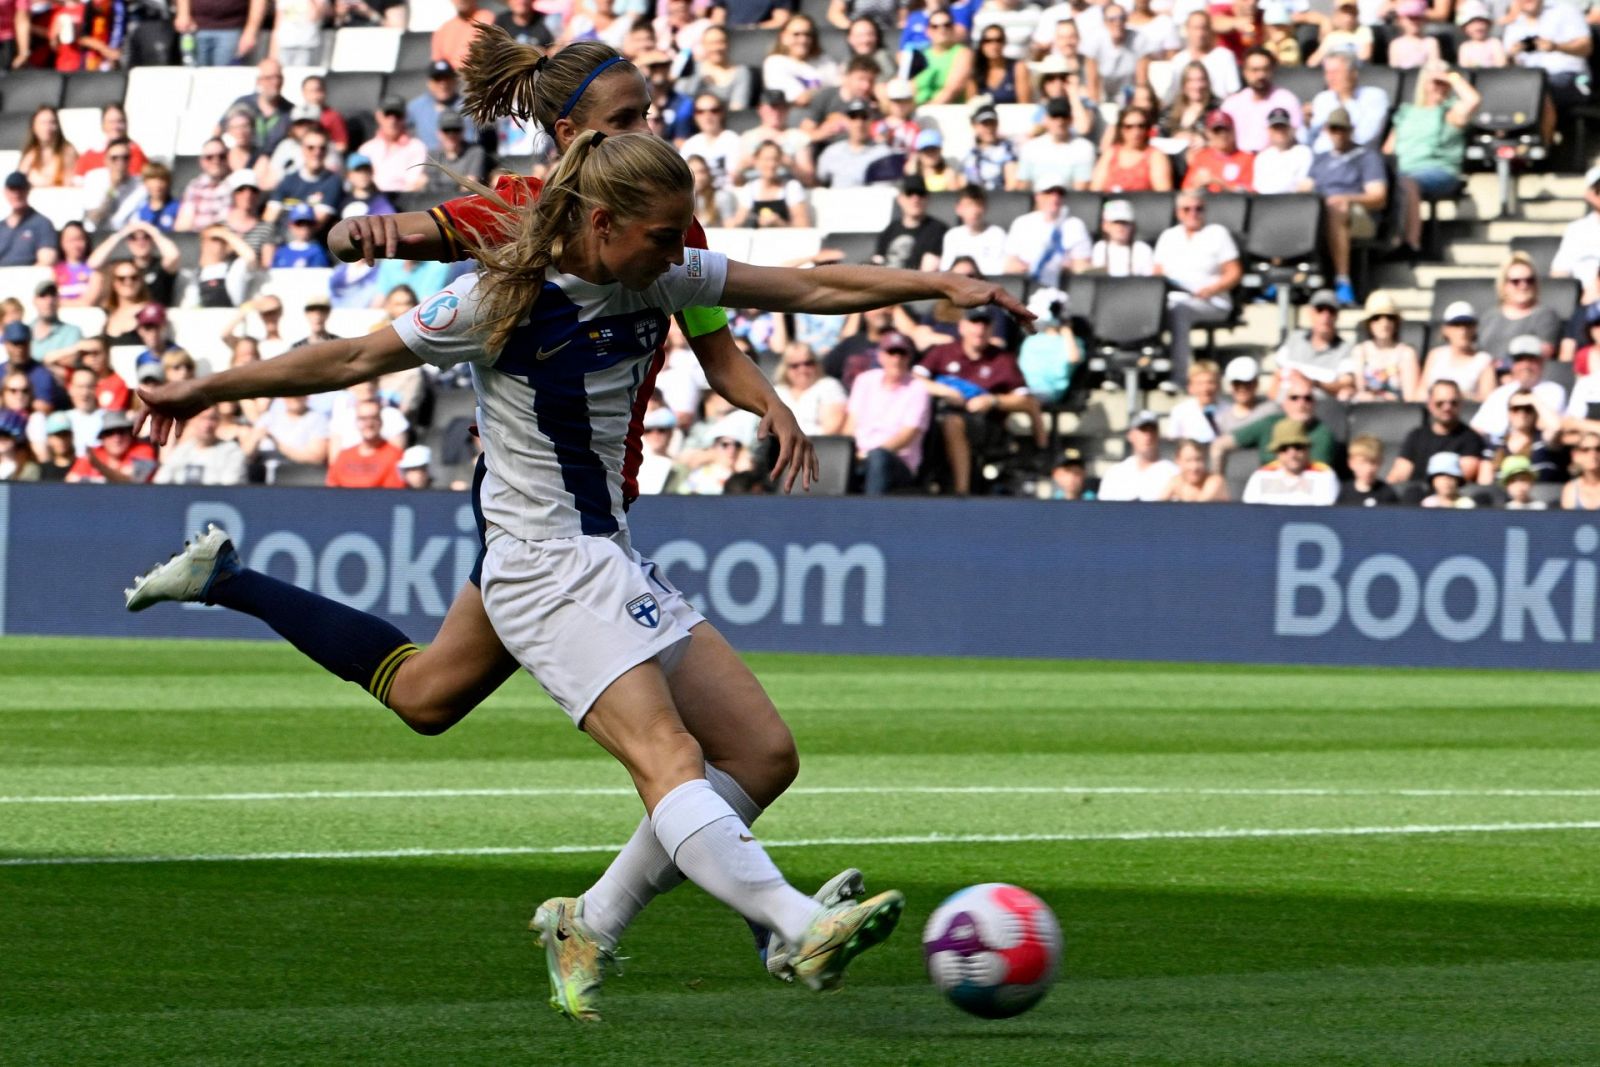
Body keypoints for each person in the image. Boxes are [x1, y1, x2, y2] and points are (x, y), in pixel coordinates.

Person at [134, 132, 1027, 1016]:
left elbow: (806, 284)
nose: (681, 252)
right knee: (668, 757)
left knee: (759, 753)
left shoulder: (662, 274)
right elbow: (353, 358)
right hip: (538, 564)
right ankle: (793, 921)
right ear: (602, 223)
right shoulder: (499, 301)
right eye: (663, 235)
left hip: (605, 550)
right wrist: (205, 390)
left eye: (684, 234)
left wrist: (939, 285)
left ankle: (590, 919)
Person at [916, 308, 1046, 495]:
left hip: (986, 424)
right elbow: (913, 379)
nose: (979, 329)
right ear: (962, 327)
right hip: (938, 419)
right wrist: (945, 391)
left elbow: (1027, 402)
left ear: (992, 330)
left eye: (984, 324)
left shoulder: (1002, 359)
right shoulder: (944, 352)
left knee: (953, 423)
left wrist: (993, 400)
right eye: (974, 323)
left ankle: (961, 492)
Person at [1383, 65, 1477, 260]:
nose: (1438, 87)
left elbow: (1473, 100)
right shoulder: (1407, 112)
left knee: (1407, 183)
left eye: (1443, 84)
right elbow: (1388, 149)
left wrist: (1451, 77)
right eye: (1435, 82)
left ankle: (1411, 243)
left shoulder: (1449, 112)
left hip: (1438, 170)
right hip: (1403, 170)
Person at [1153, 189, 1241, 379]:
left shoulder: (1217, 233)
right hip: (1173, 298)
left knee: (1179, 312)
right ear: (1178, 213)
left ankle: (1180, 377)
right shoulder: (1168, 236)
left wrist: (1211, 289)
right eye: (1187, 209)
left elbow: (1234, 272)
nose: (1193, 213)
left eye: (1198, 208)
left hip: (1212, 301)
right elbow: (1157, 273)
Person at [1303, 107, 1387, 307]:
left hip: (1359, 214)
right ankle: (1282, 271)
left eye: (1342, 129)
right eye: (1334, 129)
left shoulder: (1366, 156)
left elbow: (1378, 196)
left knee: (1336, 207)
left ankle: (1343, 281)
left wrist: (1346, 198)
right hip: (1322, 210)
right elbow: (1303, 188)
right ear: (1326, 130)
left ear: (1351, 130)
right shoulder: (1321, 159)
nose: (1338, 134)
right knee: (1294, 208)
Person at [1505, 0, 1591, 143]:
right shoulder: (1514, 25)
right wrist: (1511, 56)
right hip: (1526, 81)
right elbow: (1504, 64)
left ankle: (1543, 147)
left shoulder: (1565, 10)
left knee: (1539, 88)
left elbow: (1586, 48)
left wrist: (1556, 47)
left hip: (1573, 80)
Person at [1211, 375, 1335, 466]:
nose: (1301, 403)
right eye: (1294, 398)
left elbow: (1317, 473)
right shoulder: (1269, 424)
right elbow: (1220, 445)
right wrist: (1217, 480)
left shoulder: (1322, 433)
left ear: (1315, 403)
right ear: (1285, 403)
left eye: (1307, 398)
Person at [1388, 379, 1486, 485]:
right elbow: (1399, 474)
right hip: (1415, 497)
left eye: (1453, 403)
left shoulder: (1471, 439)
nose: (1447, 407)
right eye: (1440, 403)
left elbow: (1464, 476)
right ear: (1430, 404)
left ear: (1461, 404)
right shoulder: (1416, 436)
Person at [1471, 336, 1566, 442]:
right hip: (1497, 449)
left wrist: (1532, 400)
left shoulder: (1553, 390)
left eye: (1531, 360)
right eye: (1519, 360)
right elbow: (1477, 428)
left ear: (1541, 362)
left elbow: (1552, 428)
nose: (1525, 365)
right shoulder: (1500, 393)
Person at [1477, 252, 1563, 365]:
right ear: (1504, 284)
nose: (1523, 286)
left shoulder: (1545, 315)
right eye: (1516, 281)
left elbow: (1544, 352)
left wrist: (1503, 366)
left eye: (1529, 280)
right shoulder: (1489, 317)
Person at [1002, 184, 1092, 288]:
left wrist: (1059, 268)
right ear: (1037, 196)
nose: (1055, 198)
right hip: (1027, 286)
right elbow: (1010, 265)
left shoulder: (1076, 225)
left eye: (1059, 194)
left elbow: (1081, 267)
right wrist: (1036, 267)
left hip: (1062, 288)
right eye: (1048, 193)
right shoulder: (1021, 223)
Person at [1273, 288, 1353, 396]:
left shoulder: (1345, 349)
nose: (1326, 316)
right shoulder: (1294, 339)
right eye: (1320, 309)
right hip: (1284, 406)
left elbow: (1346, 384)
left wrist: (1312, 383)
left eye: (1331, 311)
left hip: (1322, 409)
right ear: (1310, 312)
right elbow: (1276, 377)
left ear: (1337, 315)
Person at [1220, 47, 1302, 152]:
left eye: (1265, 69)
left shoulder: (1287, 100)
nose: (1261, 75)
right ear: (1245, 72)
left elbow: (1297, 137)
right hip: (1240, 162)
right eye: (1255, 70)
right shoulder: (1232, 103)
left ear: (1272, 70)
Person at [1345, 291, 1421, 401]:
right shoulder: (1360, 351)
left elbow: (1410, 398)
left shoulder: (1407, 353)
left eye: (1389, 318)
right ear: (1369, 323)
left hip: (1396, 412)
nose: (1384, 323)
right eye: (1377, 318)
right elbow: (1359, 389)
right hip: (1366, 411)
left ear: (1396, 323)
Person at [1241, 419, 1338, 505]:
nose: (1292, 454)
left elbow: (1326, 514)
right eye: (1284, 448)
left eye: (1298, 446)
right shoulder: (1261, 475)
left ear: (1307, 449)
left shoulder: (1323, 475)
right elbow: (1250, 514)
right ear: (1276, 451)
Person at [1306, 54, 1388, 152]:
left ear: (1353, 74)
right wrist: (1305, 124)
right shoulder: (1322, 98)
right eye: (1327, 73)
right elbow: (1310, 139)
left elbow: (1364, 137)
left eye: (1336, 72)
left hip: (1354, 159)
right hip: (1319, 159)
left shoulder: (1375, 96)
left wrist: (1347, 99)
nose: (1330, 78)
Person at [1018, 97, 1097, 193]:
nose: (1060, 122)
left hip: (1070, 204)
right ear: (1046, 119)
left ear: (1071, 119)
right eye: (1054, 117)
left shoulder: (1084, 148)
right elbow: (1022, 187)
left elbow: (1081, 190)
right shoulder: (1030, 148)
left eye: (1064, 117)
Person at [1422, 301, 1497, 401]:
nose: (1463, 331)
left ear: (1475, 328)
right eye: (1456, 325)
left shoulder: (1484, 360)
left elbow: (1489, 400)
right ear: (1445, 329)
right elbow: (1420, 394)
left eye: (1467, 325)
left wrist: (1455, 397)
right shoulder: (1435, 355)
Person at [153, 407, 248, 485]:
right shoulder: (181, 451)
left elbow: (230, 489)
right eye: (202, 418)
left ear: (219, 422)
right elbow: (161, 482)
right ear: (191, 421)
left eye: (212, 419)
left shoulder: (231, 452)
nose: (207, 424)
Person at [1098, 411, 1179, 501]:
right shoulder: (1115, 474)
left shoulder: (1173, 473)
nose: (1148, 435)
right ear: (1130, 435)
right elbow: (1104, 510)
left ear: (1158, 435)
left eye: (1152, 430)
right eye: (1143, 430)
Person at [325, 399, 406, 488]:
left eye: (374, 418)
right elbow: (331, 488)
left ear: (381, 421)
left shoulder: (394, 455)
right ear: (356, 422)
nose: (369, 424)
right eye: (363, 419)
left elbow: (393, 494)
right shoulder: (344, 455)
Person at [763, 13, 841, 107]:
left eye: (808, 35)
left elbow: (841, 93)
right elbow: (800, 99)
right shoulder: (775, 63)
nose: (803, 40)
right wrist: (825, 90)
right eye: (796, 34)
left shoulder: (824, 61)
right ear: (783, 37)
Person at [1089, 106, 1171, 193]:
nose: (1136, 132)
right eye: (1129, 127)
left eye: (1141, 126)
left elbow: (1163, 194)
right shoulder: (1110, 153)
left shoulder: (1155, 156)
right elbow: (1095, 189)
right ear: (1121, 129)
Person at [814, 99, 891, 189]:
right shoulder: (832, 152)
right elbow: (819, 182)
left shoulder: (883, 154)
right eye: (853, 117)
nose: (859, 123)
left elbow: (884, 192)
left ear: (871, 120)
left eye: (864, 117)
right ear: (846, 121)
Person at [773, 342, 846, 436]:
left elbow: (831, 429)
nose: (803, 370)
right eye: (795, 365)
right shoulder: (777, 392)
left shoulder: (829, 386)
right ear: (785, 369)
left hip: (818, 446)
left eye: (808, 363)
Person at [359, 98, 429, 195]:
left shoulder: (416, 147)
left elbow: (413, 182)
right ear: (379, 116)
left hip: (403, 201)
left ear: (405, 118)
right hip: (373, 199)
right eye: (388, 115)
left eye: (398, 116)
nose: (393, 121)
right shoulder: (366, 149)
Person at [875, 178, 947, 272]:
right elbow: (877, 260)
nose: (915, 199)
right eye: (909, 193)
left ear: (928, 198)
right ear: (900, 199)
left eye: (920, 194)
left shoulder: (938, 231)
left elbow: (929, 272)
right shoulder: (890, 229)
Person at [66, 411, 157, 483]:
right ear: (102, 437)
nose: (117, 438)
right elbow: (70, 482)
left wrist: (99, 467)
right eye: (109, 433)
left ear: (130, 434)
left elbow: (133, 482)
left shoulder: (143, 450)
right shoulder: (95, 453)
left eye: (121, 431)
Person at [409, 61, 480, 153]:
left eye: (447, 79)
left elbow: (471, 141)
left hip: (459, 160)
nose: (443, 85)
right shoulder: (416, 107)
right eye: (438, 79)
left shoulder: (468, 107)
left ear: (455, 81)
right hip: (426, 161)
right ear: (429, 83)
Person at [911, 9, 973, 106]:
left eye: (946, 25)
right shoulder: (919, 55)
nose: (941, 29)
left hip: (945, 112)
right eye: (935, 26)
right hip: (914, 110)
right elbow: (910, 86)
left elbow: (952, 89)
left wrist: (927, 110)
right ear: (927, 31)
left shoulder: (962, 53)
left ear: (953, 28)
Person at [1182, 109, 1253, 193]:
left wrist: (1218, 182)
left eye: (1226, 130)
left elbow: (1249, 192)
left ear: (1233, 131)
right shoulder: (1201, 157)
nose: (1223, 135)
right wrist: (1197, 184)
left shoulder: (1247, 158)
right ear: (1208, 133)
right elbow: (1186, 189)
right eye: (1217, 131)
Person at [940, 187, 1007, 274]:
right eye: (969, 205)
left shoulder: (997, 234)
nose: (974, 211)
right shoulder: (952, 236)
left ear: (985, 207)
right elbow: (946, 268)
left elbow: (1001, 268)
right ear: (958, 209)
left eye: (978, 205)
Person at [175, 139, 233, 234]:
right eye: (209, 157)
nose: (216, 161)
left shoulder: (236, 186)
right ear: (201, 161)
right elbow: (183, 223)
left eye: (221, 156)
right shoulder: (194, 187)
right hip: (197, 240)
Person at [0, 172, 56, 267]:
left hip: (28, 278)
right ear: (5, 191)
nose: (16, 193)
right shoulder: (1, 227)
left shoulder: (42, 224)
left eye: (20, 189)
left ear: (28, 190)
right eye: (12, 189)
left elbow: (46, 260)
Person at [961, 104, 1021, 192]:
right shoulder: (970, 155)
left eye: (992, 123)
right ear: (975, 126)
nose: (989, 129)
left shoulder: (1007, 150)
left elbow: (1011, 184)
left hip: (1001, 201)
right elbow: (964, 183)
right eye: (985, 124)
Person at [1165, 359, 1224, 442]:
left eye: (1210, 382)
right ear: (1191, 387)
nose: (1205, 389)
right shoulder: (1180, 412)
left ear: (1219, 385)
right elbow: (1173, 442)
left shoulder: (1230, 411)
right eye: (1200, 383)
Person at [1090, 197, 1154, 276]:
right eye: (1116, 223)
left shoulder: (1143, 250)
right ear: (1105, 226)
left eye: (1124, 223)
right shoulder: (1099, 248)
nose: (1120, 227)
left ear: (1133, 226)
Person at [18, 106, 77, 189]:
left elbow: (70, 182)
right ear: (34, 127)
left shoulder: (68, 151)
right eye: (43, 123)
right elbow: (18, 181)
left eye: (52, 122)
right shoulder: (30, 154)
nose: (48, 128)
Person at [1337, 434, 1399, 506]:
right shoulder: (1343, 491)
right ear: (1351, 463)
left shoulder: (1387, 493)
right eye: (1362, 462)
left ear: (1380, 462)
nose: (1368, 469)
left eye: (1373, 462)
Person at [1158, 437, 1227, 500]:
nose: (1194, 467)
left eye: (1199, 460)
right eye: (1188, 460)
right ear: (1178, 461)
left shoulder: (1215, 481)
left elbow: (1199, 509)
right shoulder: (1176, 481)